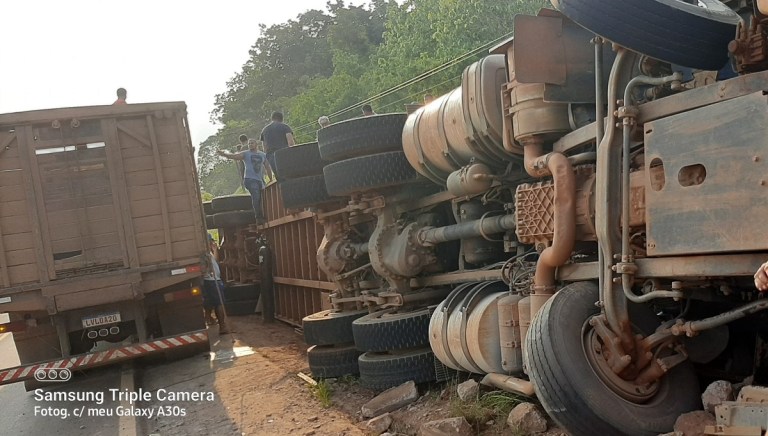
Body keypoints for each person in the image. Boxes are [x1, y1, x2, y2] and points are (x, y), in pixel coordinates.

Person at [217, 139, 271, 223]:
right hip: (249, 179)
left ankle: (264, 215)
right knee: (256, 197)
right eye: (249, 143)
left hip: (260, 180)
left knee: (262, 198)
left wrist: (270, 179)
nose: (250, 145)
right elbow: (234, 156)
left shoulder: (262, 155)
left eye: (252, 143)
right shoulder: (246, 154)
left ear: (256, 144)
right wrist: (224, 154)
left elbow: (267, 166)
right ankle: (258, 218)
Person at [203, 235, 230, 334]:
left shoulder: (207, 253)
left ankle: (209, 318)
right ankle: (222, 326)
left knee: (209, 301)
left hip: (210, 280)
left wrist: (214, 250)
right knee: (219, 303)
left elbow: (215, 260)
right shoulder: (205, 254)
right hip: (212, 280)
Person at [259, 111, 295, 179]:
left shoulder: (264, 130)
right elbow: (290, 142)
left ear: (272, 118)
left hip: (271, 156)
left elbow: (264, 148)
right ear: (281, 119)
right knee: (290, 175)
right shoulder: (285, 127)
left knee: (279, 177)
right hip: (284, 153)